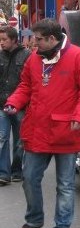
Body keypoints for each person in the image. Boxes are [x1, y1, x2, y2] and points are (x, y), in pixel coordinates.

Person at [4, 18, 80, 228]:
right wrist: (14, 102)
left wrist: (79, 117)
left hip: (66, 130)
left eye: (38, 40)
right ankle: (34, 220)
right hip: (38, 130)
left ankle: (61, 227)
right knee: (29, 179)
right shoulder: (34, 60)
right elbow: (26, 86)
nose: (34, 44)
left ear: (52, 39)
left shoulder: (78, 57)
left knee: (65, 184)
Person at [0, 26, 31, 185]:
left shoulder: (27, 56)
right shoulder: (0, 56)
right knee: (2, 139)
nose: (1, 43)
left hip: (21, 106)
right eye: (0, 40)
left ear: (13, 39)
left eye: (4, 40)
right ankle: (3, 174)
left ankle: (17, 170)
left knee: (20, 141)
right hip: (2, 105)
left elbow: (30, 82)